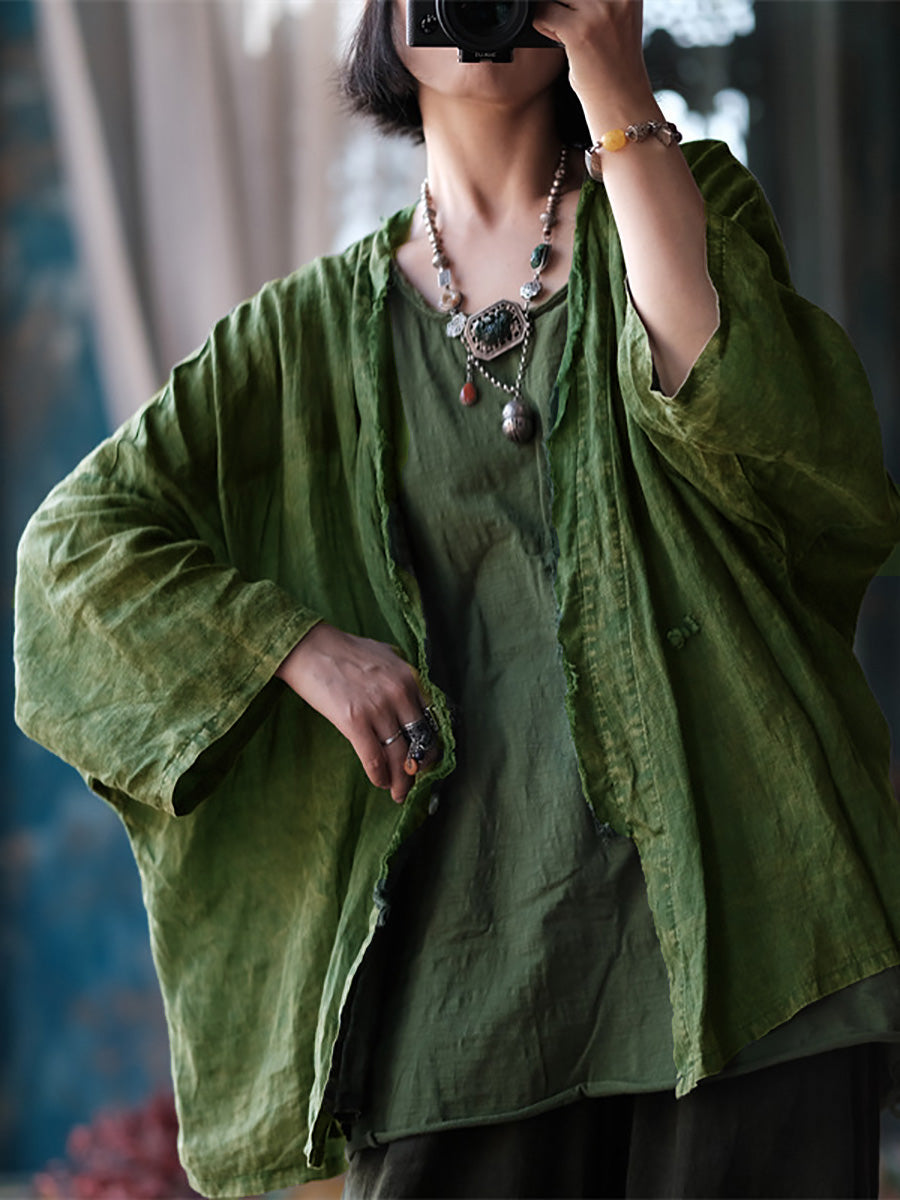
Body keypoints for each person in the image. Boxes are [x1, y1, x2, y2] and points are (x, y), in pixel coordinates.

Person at [13, 1, 900, 1196]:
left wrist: (612, 70)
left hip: (749, 943)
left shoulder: (685, 212)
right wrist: (297, 647)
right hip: (464, 987)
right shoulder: (300, 339)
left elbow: (749, 423)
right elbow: (71, 556)